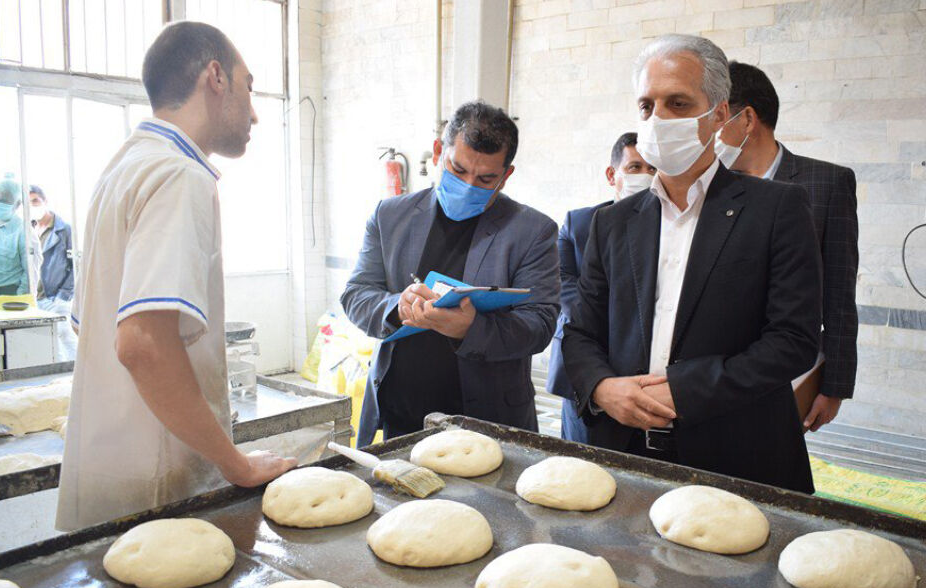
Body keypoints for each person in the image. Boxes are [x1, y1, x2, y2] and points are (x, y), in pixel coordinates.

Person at [56, 22, 294, 531]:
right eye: (248, 87)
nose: (254, 112)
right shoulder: (178, 176)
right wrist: (238, 464)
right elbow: (141, 344)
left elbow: (87, 325)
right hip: (156, 486)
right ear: (215, 77)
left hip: (111, 473)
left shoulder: (123, 168)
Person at [561, 34, 822, 493]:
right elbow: (581, 331)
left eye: (678, 103)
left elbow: (793, 340)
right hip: (622, 452)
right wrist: (602, 388)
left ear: (719, 113)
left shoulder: (775, 208)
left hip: (734, 455)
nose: (658, 119)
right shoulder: (613, 222)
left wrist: (685, 389)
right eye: (647, 106)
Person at [341, 101, 560, 447]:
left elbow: (541, 324)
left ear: (506, 175)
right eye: (458, 170)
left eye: (486, 178)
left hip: (488, 421)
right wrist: (398, 306)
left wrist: (471, 329)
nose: (469, 185)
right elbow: (356, 294)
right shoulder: (390, 216)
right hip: (403, 413)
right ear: (440, 152)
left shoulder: (532, 232)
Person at [717, 61, 859, 434]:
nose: (705, 130)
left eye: (716, 116)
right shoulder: (712, 188)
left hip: (791, 370)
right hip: (717, 370)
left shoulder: (826, 183)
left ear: (746, 119)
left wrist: (835, 385)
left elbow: (840, 292)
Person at [547, 132, 656, 443]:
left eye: (653, 169)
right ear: (613, 174)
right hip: (585, 359)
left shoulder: (668, 225)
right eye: (635, 168)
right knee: (580, 454)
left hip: (643, 367)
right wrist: (615, 316)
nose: (645, 177)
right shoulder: (580, 222)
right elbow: (563, 282)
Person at [29, 185, 77, 360]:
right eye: (28, 202)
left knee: (66, 337)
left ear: (45, 201)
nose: (33, 206)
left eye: (35, 200)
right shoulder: (29, 230)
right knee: (48, 345)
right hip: (36, 297)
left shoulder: (64, 230)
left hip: (56, 297)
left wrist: (63, 296)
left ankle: (73, 378)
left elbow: (76, 265)